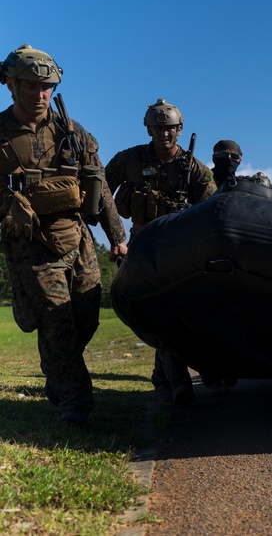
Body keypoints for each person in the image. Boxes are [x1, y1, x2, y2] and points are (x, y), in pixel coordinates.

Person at [0, 44, 128, 426]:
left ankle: (57, 371)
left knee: (86, 315)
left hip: (76, 236)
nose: (41, 94)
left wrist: (118, 237)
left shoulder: (72, 132)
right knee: (57, 320)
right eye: (32, 86)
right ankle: (76, 403)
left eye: (48, 87)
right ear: (11, 84)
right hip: (31, 244)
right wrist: (7, 202)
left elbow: (100, 186)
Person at [105, 98, 216, 404]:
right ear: (148, 129)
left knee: (180, 313)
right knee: (157, 314)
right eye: (157, 128)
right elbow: (101, 193)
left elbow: (213, 208)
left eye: (169, 129)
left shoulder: (194, 169)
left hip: (180, 250)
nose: (164, 134)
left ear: (179, 130)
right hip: (142, 246)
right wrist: (115, 238)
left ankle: (179, 378)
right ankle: (176, 382)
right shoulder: (129, 160)